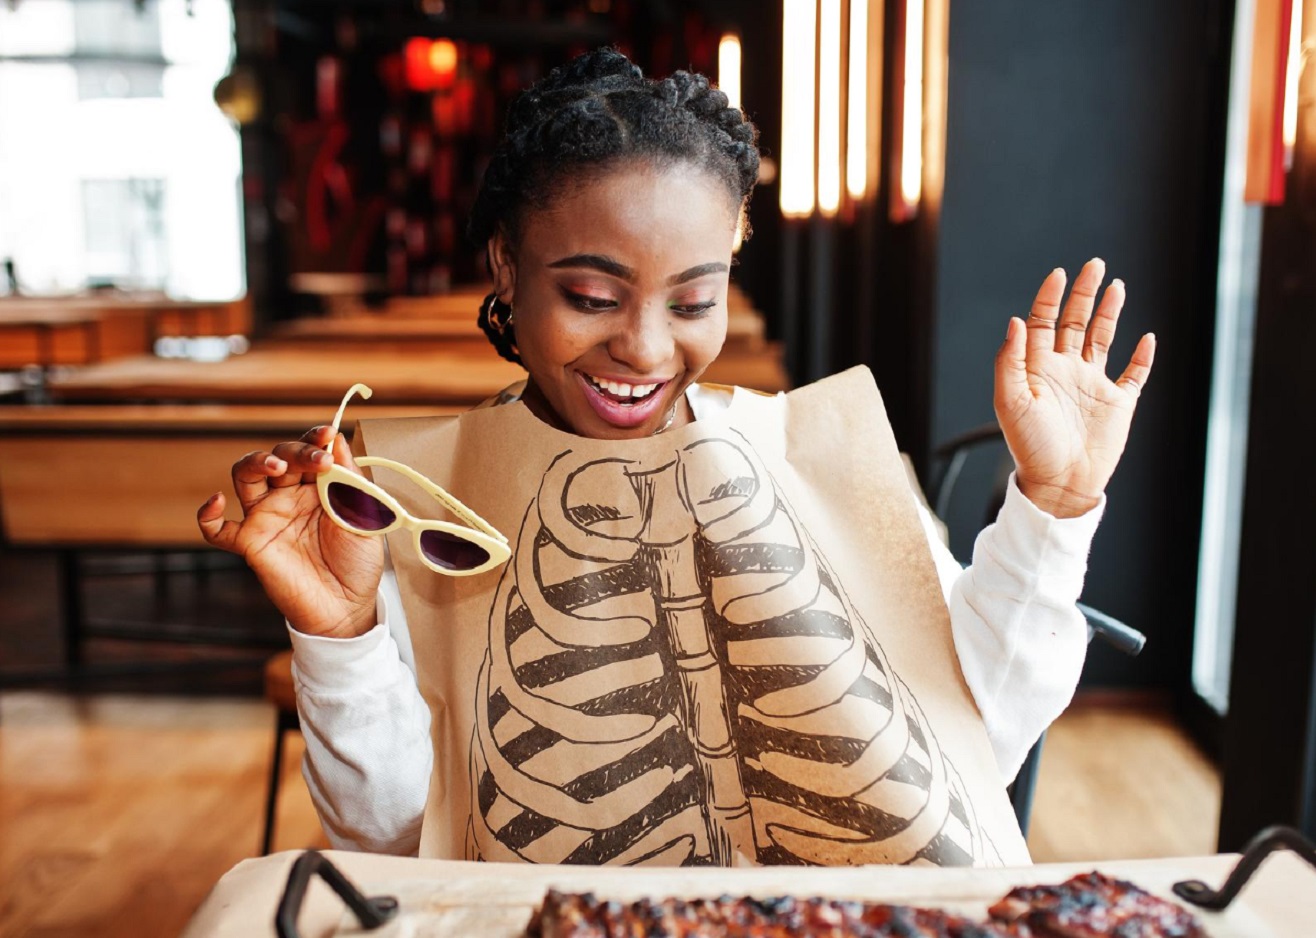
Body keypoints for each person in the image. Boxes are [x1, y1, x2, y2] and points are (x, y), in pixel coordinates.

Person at [197, 48, 1155, 860]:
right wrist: (341, 631)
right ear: (504, 266)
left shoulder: (814, 468)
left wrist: (1053, 505)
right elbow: (396, 838)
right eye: (592, 296)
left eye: (693, 303)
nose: (646, 350)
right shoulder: (423, 511)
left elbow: (980, 734)